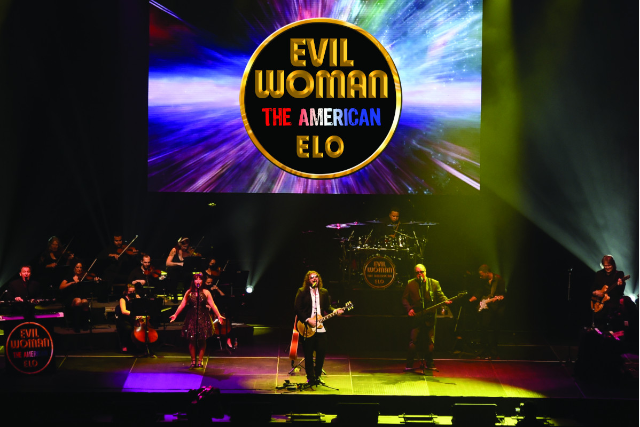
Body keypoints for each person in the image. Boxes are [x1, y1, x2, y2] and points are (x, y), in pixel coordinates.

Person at [294, 270, 344, 386]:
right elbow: (297, 308)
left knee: (321, 352)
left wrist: (335, 310)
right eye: (312, 277)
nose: (314, 279)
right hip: (307, 327)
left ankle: (317, 376)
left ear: (319, 279)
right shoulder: (302, 292)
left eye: (316, 277)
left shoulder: (323, 292)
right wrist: (308, 320)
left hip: (320, 327)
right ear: (308, 280)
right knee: (308, 354)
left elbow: (328, 307)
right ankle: (310, 378)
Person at [402, 264, 451, 371]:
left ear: (426, 272)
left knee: (430, 341)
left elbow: (440, 295)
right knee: (413, 340)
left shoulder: (434, 283)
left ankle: (430, 364)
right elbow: (404, 299)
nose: (419, 274)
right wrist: (409, 309)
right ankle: (409, 364)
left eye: (421, 272)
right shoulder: (410, 283)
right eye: (417, 272)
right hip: (417, 316)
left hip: (430, 316)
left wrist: (445, 300)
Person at [169, 273, 225, 369]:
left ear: (202, 281)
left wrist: (219, 315)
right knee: (192, 340)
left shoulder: (206, 292)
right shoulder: (189, 292)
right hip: (192, 317)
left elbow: (213, 304)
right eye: (196, 279)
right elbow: (182, 304)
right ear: (193, 281)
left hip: (203, 317)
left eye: (200, 279)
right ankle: (193, 360)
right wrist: (175, 314)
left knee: (202, 339)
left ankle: (200, 360)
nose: (198, 281)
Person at [469, 264, 506, 359]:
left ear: (487, 273)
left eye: (481, 275)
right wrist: (472, 299)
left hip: (498, 307)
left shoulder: (499, 280)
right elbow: (479, 291)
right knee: (484, 327)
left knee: (495, 329)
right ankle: (483, 351)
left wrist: (497, 298)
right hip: (487, 306)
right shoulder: (483, 281)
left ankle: (494, 352)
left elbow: (502, 294)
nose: (480, 277)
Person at [59, 261, 96, 332]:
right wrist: (71, 283)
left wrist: (94, 281)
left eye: (81, 267)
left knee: (85, 301)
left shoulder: (83, 277)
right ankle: (76, 325)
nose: (79, 269)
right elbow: (61, 287)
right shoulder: (69, 277)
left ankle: (85, 323)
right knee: (78, 301)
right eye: (77, 267)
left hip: (81, 296)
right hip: (70, 298)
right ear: (74, 268)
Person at [591, 255, 626, 330]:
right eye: (605, 265)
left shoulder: (619, 274)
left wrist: (621, 285)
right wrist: (595, 292)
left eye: (609, 265)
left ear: (613, 264)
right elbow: (592, 289)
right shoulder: (599, 274)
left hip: (612, 306)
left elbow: (621, 292)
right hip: (599, 305)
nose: (607, 267)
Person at [115, 283, 140, 352]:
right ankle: (124, 344)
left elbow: (140, 308)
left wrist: (139, 300)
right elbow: (124, 311)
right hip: (124, 319)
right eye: (130, 292)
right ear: (126, 292)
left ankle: (138, 344)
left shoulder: (136, 297)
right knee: (129, 328)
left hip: (133, 318)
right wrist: (134, 314)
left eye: (133, 291)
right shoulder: (122, 299)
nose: (132, 293)